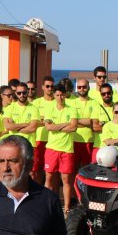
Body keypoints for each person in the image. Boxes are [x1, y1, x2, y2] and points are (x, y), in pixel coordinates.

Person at [42, 83, 79, 211]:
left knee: (66, 180)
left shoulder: (72, 108)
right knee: (49, 178)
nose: (60, 97)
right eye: (57, 95)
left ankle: (67, 208)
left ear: (65, 95)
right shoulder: (49, 109)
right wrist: (65, 124)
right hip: (52, 148)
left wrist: (56, 126)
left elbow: (73, 127)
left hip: (66, 150)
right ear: (54, 95)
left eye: (62, 95)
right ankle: (47, 205)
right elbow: (48, 127)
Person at [70, 78, 107, 168]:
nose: (81, 89)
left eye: (84, 87)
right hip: (73, 140)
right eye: (79, 87)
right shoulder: (71, 103)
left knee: (88, 168)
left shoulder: (95, 103)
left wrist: (76, 121)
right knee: (73, 169)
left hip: (90, 141)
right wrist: (87, 122)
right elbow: (69, 122)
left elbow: (94, 122)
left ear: (89, 87)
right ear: (76, 88)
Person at [30, 77, 57, 184]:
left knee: (53, 172)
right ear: (42, 87)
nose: (50, 88)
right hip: (39, 139)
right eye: (47, 86)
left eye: (52, 86)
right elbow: (33, 122)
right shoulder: (36, 103)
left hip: (54, 141)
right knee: (37, 170)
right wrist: (48, 121)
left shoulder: (57, 102)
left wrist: (42, 119)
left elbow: (59, 121)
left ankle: (54, 197)